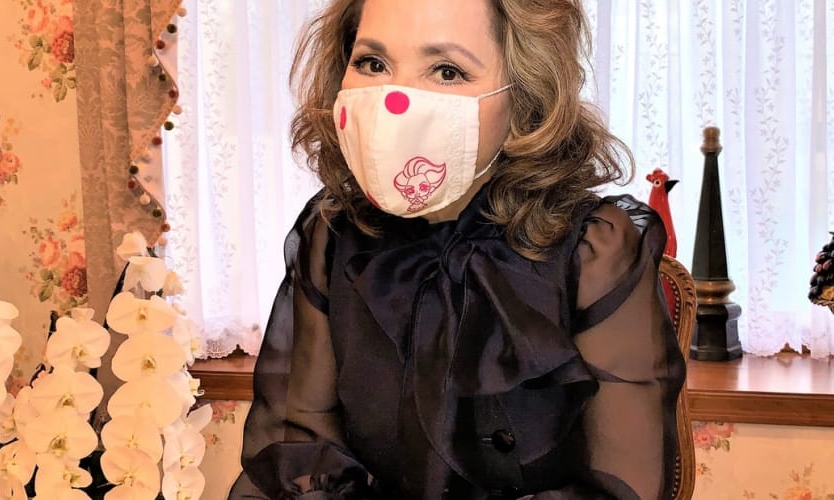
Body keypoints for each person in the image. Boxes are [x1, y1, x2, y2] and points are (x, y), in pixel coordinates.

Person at [229, 0, 686, 498]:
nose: (393, 99)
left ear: (525, 95)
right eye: (372, 63)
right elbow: (301, 448)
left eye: (447, 71)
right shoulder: (332, 235)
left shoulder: (594, 251)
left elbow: (622, 486)